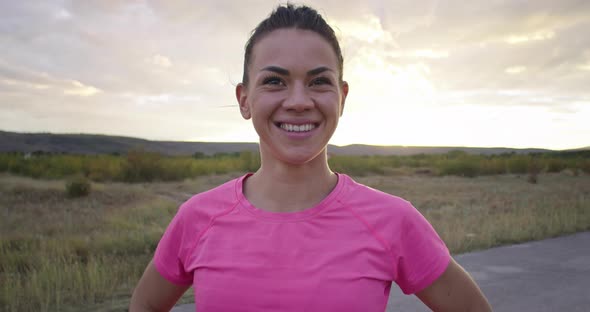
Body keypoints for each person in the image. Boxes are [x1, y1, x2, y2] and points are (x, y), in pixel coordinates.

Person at [130, 4, 492, 312]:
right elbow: (145, 305)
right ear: (244, 99)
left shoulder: (392, 220)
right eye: (275, 81)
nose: (299, 101)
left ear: (342, 97)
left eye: (319, 81)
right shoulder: (197, 218)